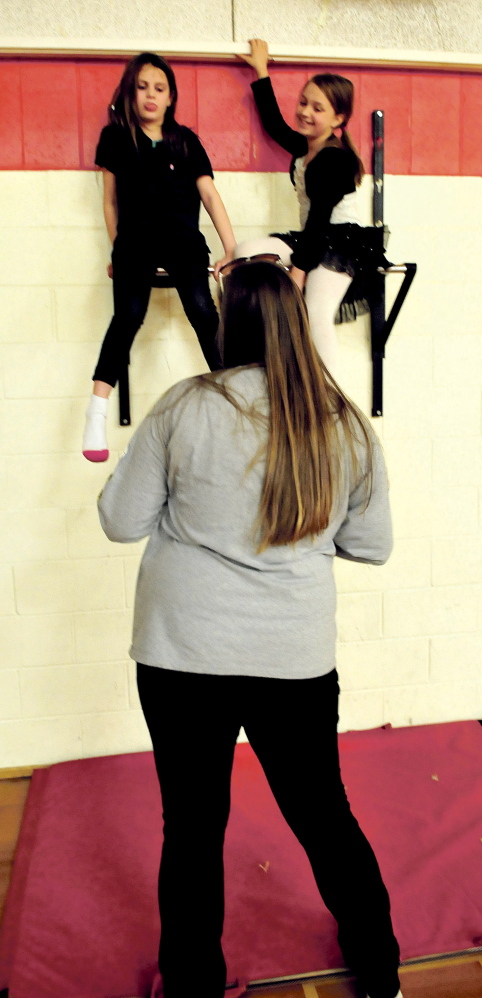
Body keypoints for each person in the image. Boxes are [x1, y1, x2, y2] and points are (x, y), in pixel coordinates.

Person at [97, 256, 402, 998]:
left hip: (183, 656)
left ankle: (194, 985)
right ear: (298, 325)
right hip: (289, 660)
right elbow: (372, 544)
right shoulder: (343, 422)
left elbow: (120, 520)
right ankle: (381, 969)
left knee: (193, 829)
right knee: (324, 816)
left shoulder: (184, 405)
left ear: (227, 323)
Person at [82, 51, 236, 463]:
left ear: (171, 97)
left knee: (204, 311)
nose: (150, 95)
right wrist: (116, 248)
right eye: (142, 87)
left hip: (182, 239)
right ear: (130, 94)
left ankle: (238, 399)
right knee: (128, 315)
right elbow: (110, 203)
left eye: (160, 88)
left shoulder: (185, 141)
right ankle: (96, 410)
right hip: (135, 240)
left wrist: (230, 247)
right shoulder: (116, 139)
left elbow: (209, 195)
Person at [239, 39, 388, 378]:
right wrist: (261, 70)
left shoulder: (334, 159)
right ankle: (268, 341)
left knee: (316, 312)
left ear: (339, 118)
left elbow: (321, 219)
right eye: (303, 102)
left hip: (340, 244)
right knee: (246, 252)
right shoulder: (306, 147)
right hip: (311, 238)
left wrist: (299, 272)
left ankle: (334, 401)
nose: (305, 112)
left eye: (317, 109)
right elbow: (275, 126)